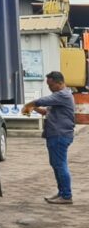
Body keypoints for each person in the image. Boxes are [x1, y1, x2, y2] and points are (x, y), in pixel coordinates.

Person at [22, 70, 76, 204]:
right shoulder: (60, 96)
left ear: (59, 83)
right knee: (57, 164)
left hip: (59, 135)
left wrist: (30, 104)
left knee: (60, 165)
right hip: (56, 135)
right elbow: (47, 111)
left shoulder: (63, 95)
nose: (49, 88)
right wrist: (33, 108)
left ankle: (66, 195)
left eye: (51, 85)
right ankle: (62, 193)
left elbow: (43, 101)